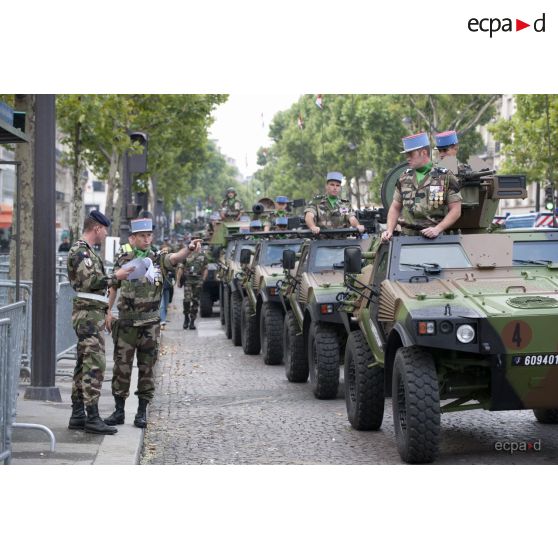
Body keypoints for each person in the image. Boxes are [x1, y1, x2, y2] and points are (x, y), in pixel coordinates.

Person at [104, 216, 201, 428]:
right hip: (127, 324)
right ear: (133, 238)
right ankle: (119, 411)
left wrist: (189, 249)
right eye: (142, 236)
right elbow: (113, 286)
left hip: (149, 325)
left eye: (149, 236)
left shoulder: (158, 259)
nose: (146, 239)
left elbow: (175, 258)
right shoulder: (124, 259)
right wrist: (108, 311)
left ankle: (141, 413)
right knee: (121, 369)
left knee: (147, 369)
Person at [66, 210, 135, 435]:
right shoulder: (81, 252)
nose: (106, 234)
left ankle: (78, 415)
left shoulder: (87, 252)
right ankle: (92, 417)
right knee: (94, 365)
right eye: (105, 229)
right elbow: (90, 282)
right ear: (97, 228)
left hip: (91, 313)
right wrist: (118, 276)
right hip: (87, 316)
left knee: (83, 364)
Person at [381, 132, 462, 242]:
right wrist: (389, 230)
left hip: (434, 240)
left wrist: (437, 229)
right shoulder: (404, 177)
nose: (407, 158)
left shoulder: (445, 176)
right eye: (406, 155)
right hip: (406, 240)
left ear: (423, 152)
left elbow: (456, 210)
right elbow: (395, 207)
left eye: (411, 154)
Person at [177, 242, 209, 330]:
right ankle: (186, 317)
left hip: (198, 280)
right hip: (188, 279)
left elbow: (205, 268)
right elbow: (180, 268)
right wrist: (178, 280)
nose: (199, 246)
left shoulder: (203, 256)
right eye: (197, 245)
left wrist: (203, 279)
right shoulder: (186, 255)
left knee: (195, 301)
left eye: (200, 245)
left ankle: (192, 321)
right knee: (187, 300)